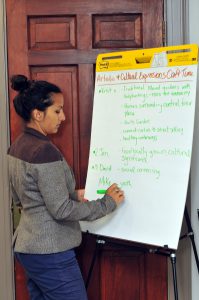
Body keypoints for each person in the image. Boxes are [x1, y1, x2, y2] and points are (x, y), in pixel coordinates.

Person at [7, 74, 125, 300]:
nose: (64, 116)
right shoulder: (44, 151)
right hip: (50, 251)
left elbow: (26, 196)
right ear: (38, 114)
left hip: (29, 248)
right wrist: (106, 204)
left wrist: (72, 194)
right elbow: (61, 210)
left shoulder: (17, 146)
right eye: (57, 111)